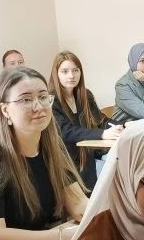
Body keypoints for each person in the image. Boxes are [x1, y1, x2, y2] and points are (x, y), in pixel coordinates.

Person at [0, 67, 89, 240]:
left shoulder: (53, 148)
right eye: (26, 100)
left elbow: (78, 205)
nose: (38, 106)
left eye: (43, 97)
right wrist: (62, 236)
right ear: (5, 110)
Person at [48, 51, 123, 189]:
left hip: (86, 161)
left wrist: (122, 126)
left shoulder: (85, 95)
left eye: (75, 70)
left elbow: (100, 120)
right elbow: (65, 131)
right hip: (65, 163)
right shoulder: (50, 100)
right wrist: (102, 134)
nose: (71, 75)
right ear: (56, 74)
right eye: (65, 71)